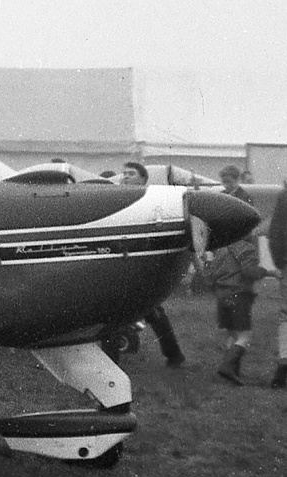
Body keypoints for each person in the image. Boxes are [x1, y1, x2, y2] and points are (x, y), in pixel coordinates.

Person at [110, 162, 186, 367]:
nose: (125, 177)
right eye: (124, 173)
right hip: (118, 265)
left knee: (150, 313)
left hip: (141, 265)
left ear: (143, 179)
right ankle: (173, 355)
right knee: (123, 313)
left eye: (131, 174)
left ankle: (174, 355)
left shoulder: (151, 200)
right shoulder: (113, 199)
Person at [203, 223, 267, 385]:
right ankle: (227, 368)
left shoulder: (222, 250)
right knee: (244, 336)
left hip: (222, 297)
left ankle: (233, 372)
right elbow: (248, 271)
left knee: (232, 335)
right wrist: (266, 272)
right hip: (239, 296)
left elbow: (210, 276)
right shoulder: (247, 249)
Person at [266, 186, 287, 388]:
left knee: (286, 315)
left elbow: (275, 232)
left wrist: (279, 262)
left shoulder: (284, 196)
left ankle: (284, 360)